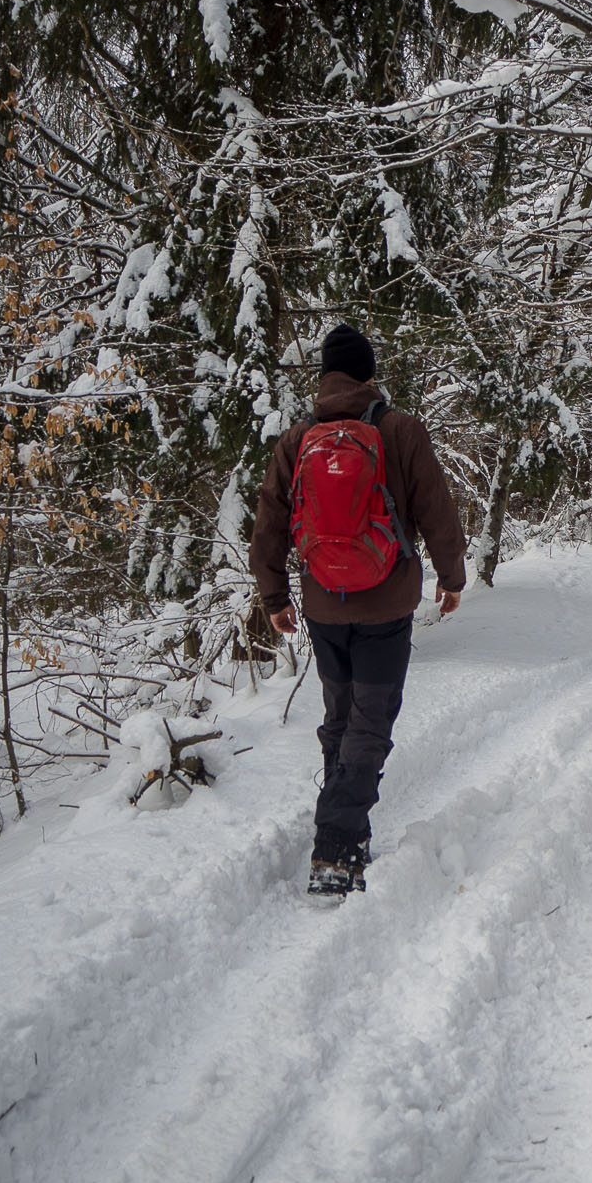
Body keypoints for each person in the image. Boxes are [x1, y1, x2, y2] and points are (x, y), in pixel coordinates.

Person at [250, 323, 467, 896]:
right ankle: (338, 847)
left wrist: (275, 598)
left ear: (325, 378)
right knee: (369, 723)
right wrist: (452, 577)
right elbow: (437, 511)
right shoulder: (401, 430)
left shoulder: (297, 439)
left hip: (323, 603)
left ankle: (341, 823)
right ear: (370, 375)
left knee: (341, 718)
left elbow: (269, 526)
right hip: (387, 603)